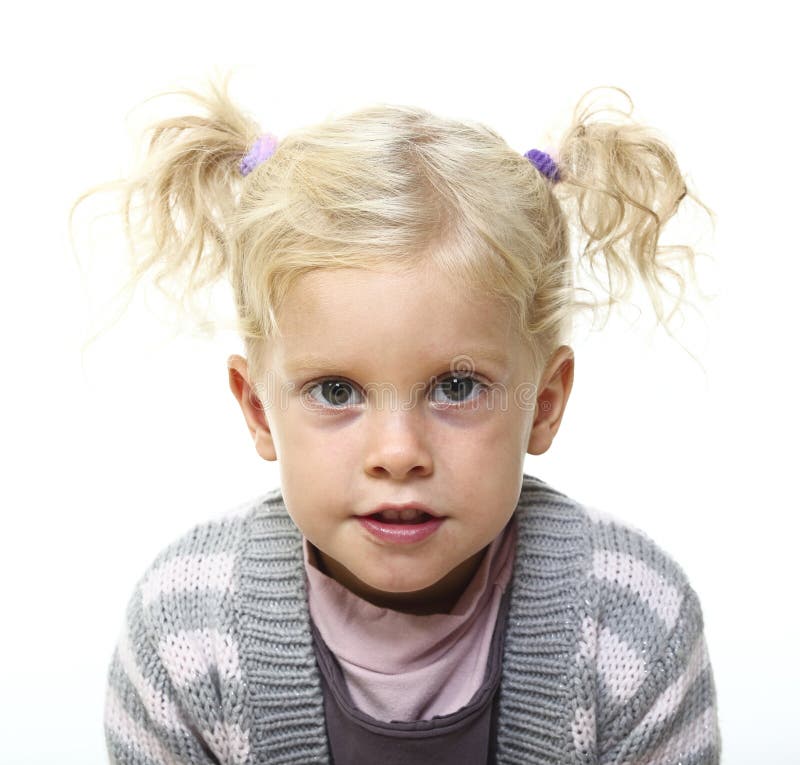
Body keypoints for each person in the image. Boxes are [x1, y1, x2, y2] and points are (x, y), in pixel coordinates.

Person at [78, 74, 721, 764]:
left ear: (544, 402)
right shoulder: (183, 633)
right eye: (334, 391)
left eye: (455, 385)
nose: (397, 452)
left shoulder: (630, 619)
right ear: (259, 410)